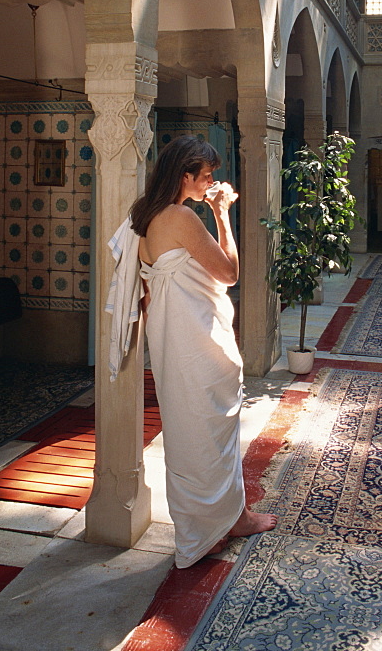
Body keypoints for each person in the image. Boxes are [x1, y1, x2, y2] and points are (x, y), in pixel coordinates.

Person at [128, 135, 276, 568]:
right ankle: (220, 525)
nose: (211, 180)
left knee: (190, 434)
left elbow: (148, 289)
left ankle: (226, 519)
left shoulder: (145, 216)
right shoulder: (181, 216)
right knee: (210, 433)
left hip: (172, 342)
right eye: (206, 175)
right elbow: (228, 273)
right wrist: (220, 212)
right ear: (184, 175)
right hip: (196, 343)